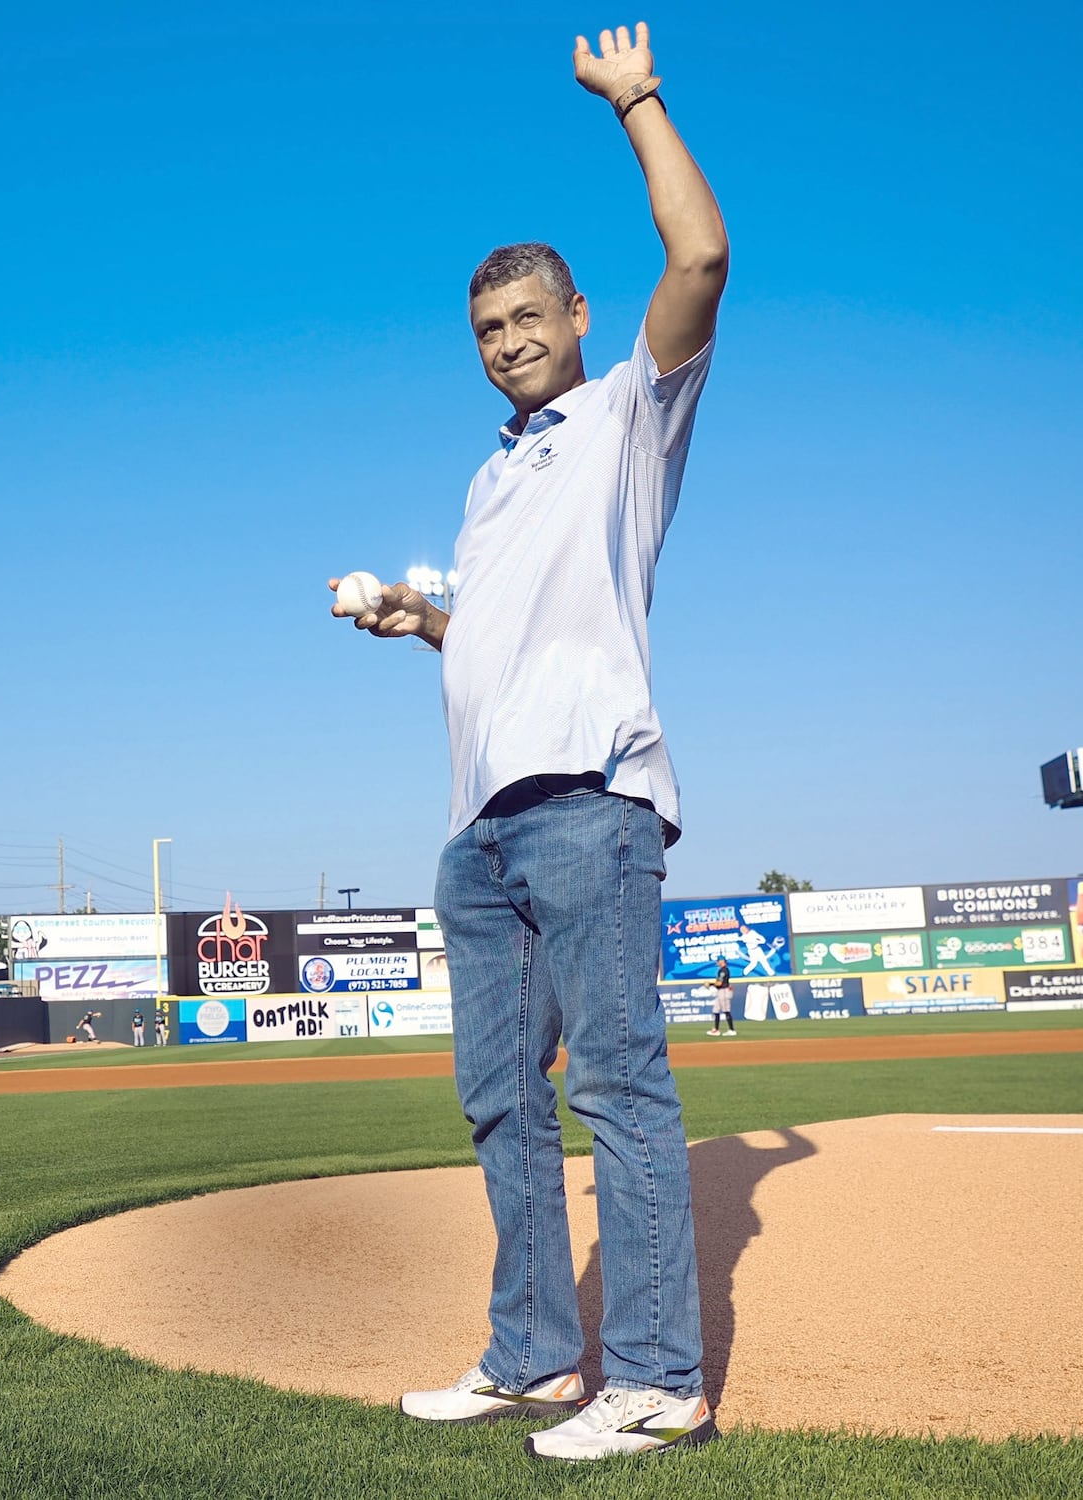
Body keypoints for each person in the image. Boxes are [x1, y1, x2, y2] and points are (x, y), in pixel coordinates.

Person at [330, 23, 727, 1463]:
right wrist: (415, 623)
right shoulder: (492, 482)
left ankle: (660, 1382)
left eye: (530, 319)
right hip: (478, 831)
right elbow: (494, 635)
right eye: (488, 330)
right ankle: (532, 1355)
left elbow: (700, 265)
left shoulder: (629, 415)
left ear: (574, 315)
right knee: (503, 1102)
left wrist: (638, 103)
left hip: (590, 808)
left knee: (619, 1086)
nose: (509, 343)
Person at [708, 957, 736, 1036]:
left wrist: (710, 984)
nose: (717, 962)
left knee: (726, 1010)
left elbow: (719, 983)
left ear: (722, 961)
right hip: (720, 991)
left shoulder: (723, 970)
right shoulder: (721, 970)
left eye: (718, 961)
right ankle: (716, 1030)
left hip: (724, 991)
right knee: (716, 1010)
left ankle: (732, 1030)